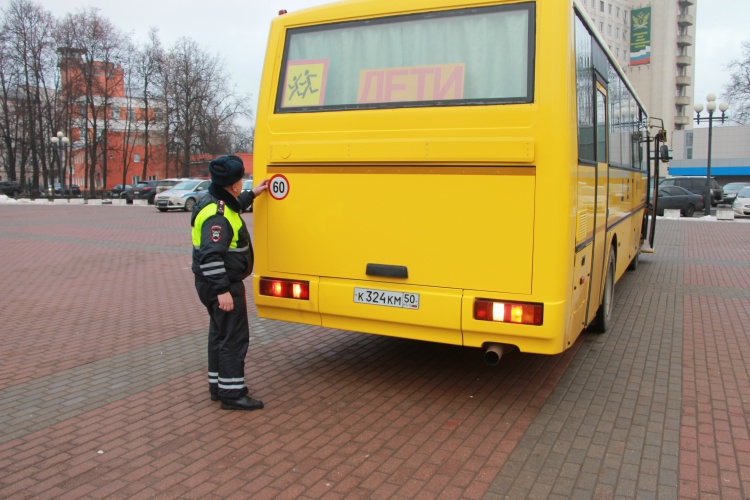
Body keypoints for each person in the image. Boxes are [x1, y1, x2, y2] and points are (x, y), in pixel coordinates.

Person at [191, 155, 268, 410]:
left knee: (219, 335)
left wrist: (254, 194)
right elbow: (211, 255)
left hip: (211, 284)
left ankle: (218, 386)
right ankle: (232, 394)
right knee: (234, 338)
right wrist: (223, 291)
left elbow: (234, 206)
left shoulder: (212, 199)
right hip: (222, 284)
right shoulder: (218, 216)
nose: (243, 183)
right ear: (233, 184)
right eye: (242, 180)